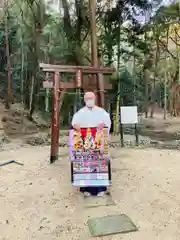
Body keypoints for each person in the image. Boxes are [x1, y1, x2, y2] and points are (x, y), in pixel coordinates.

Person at [71, 92, 111, 197]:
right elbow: (74, 124)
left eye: (91, 98)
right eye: (87, 98)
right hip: (85, 142)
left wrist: (103, 127)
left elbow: (108, 124)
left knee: (99, 164)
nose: (89, 100)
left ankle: (101, 188)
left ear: (95, 99)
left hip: (99, 140)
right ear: (84, 100)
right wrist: (76, 126)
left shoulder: (102, 112)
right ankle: (85, 188)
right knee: (86, 164)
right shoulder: (80, 113)